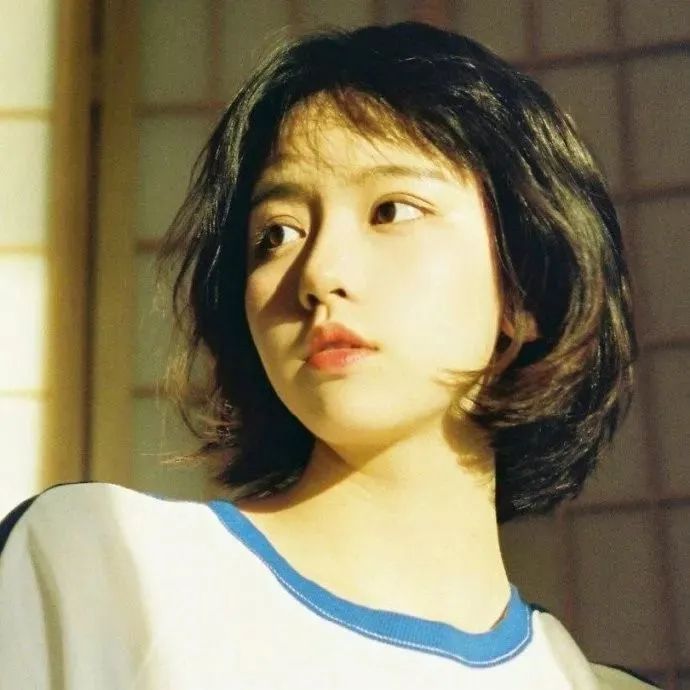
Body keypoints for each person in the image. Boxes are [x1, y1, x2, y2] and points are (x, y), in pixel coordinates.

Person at [0, 21, 661, 689]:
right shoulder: (100, 567)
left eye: (392, 211)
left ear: (525, 287)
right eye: (277, 234)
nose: (319, 273)